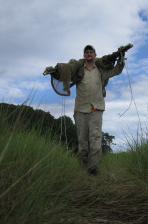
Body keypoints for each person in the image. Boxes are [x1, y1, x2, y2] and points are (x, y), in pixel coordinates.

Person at [45, 45, 125, 175]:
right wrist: (53, 71)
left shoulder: (100, 70)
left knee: (96, 138)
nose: (89, 54)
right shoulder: (77, 70)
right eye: (86, 52)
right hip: (80, 110)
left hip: (96, 109)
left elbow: (116, 70)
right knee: (82, 141)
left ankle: (93, 168)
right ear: (84, 55)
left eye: (91, 52)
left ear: (95, 55)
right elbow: (63, 74)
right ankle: (82, 167)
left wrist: (121, 56)